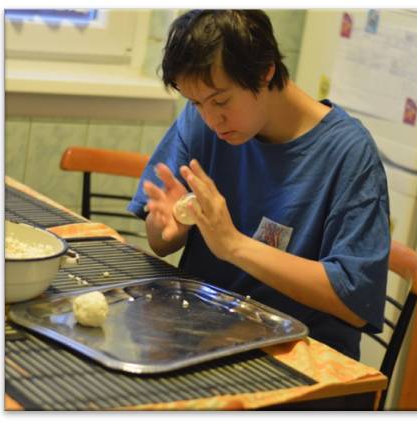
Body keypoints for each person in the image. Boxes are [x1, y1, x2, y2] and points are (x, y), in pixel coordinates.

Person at [128, 9, 390, 360]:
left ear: (265, 71)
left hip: (296, 354)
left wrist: (234, 245)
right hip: (201, 333)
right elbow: (160, 242)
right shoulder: (202, 119)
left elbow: (355, 301)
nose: (211, 118)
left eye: (221, 101)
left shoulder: (348, 153)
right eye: (196, 103)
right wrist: (169, 227)